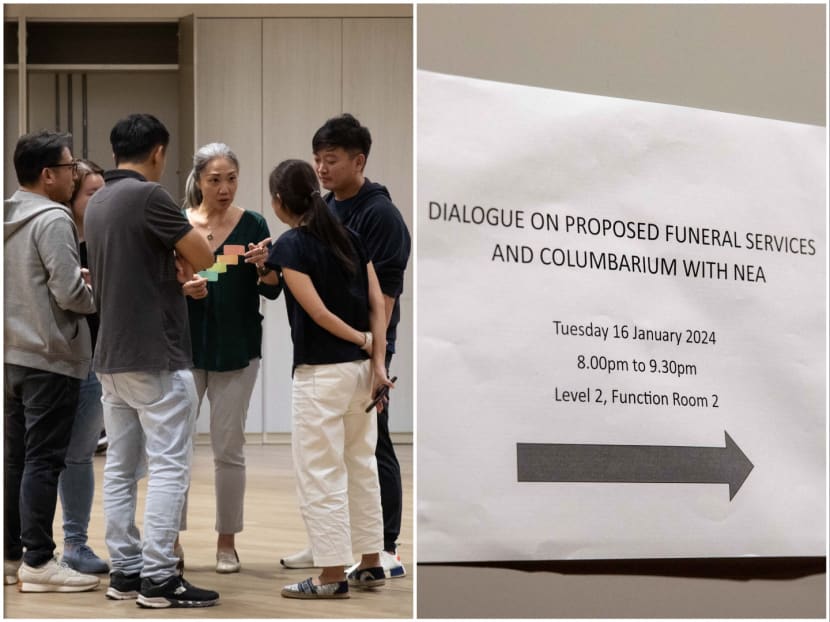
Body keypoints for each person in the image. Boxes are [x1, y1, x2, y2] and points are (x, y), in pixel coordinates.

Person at [84, 113, 219, 608]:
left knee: (120, 469)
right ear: (158, 152)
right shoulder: (149, 196)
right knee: (167, 468)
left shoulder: (97, 200)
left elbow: (130, 271)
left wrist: (170, 266)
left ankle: (125, 571)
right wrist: (183, 260)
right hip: (155, 355)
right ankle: (160, 578)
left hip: (111, 357)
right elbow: (204, 255)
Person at [281, 114, 411, 579]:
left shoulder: (379, 216)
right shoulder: (328, 211)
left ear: (359, 161)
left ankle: (381, 550)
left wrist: (376, 355)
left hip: (359, 352)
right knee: (345, 455)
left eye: (331, 160)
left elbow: (383, 297)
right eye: (316, 160)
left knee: (368, 452)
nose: (322, 168)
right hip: (347, 349)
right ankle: (336, 545)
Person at [265, 159, 391, 599]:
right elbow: (378, 299)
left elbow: (318, 313)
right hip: (360, 374)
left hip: (321, 375)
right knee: (361, 465)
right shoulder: (348, 235)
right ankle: (372, 562)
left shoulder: (290, 245)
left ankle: (332, 574)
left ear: (279, 203)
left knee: (321, 473)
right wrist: (377, 357)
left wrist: (360, 339)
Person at [4, 131, 100, 592]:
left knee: (17, 459)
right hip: (52, 358)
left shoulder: (7, 215)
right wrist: (92, 293)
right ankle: (40, 563)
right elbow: (68, 294)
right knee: (44, 461)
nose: (74, 173)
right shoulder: (54, 218)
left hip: (12, 356)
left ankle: (11, 556)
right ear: (47, 175)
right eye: (69, 167)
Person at [178, 143, 281, 573]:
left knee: (229, 449)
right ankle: (170, 541)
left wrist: (263, 266)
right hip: (184, 349)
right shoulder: (179, 224)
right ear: (199, 180)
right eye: (215, 179)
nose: (224, 188)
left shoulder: (253, 223)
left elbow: (273, 288)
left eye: (231, 178)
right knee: (175, 449)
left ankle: (226, 541)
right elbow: (163, 284)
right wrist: (183, 290)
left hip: (237, 348)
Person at [58, 159, 110, 575]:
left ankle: (75, 543)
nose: (101, 199)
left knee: (79, 456)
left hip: (94, 360)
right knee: (33, 456)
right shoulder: (52, 236)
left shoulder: (104, 238)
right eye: (92, 192)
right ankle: (24, 546)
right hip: (49, 360)